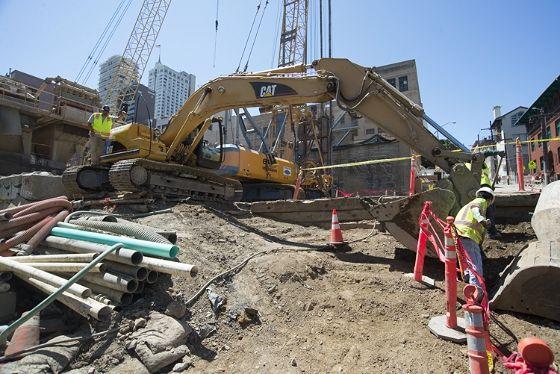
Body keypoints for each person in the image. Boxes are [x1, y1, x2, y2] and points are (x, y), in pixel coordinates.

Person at [454, 186, 495, 296]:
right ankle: (477, 292)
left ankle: (467, 279)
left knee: (467, 260)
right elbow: (475, 209)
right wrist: (482, 220)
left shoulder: (469, 204)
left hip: (459, 233)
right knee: (476, 263)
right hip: (468, 234)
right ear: (490, 199)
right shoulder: (481, 202)